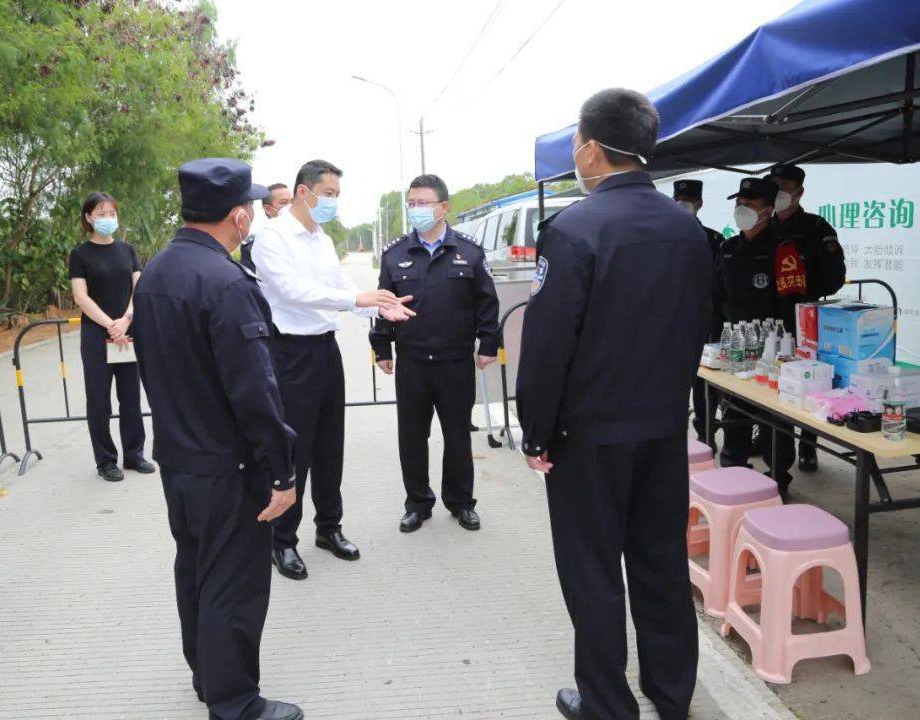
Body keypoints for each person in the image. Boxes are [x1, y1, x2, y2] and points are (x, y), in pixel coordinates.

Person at [516, 89, 708, 720]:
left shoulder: (573, 231)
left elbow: (547, 347)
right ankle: (671, 694)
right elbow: (704, 323)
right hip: (661, 427)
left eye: (577, 142)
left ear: (592, 150)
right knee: (660, 561)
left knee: (593, 569)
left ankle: (605, 702)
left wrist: (536, 433)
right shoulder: (689, 229)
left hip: (588, 436)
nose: (576, 153)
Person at [131, 159, 303, 720]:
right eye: (249, 206)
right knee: (233, 583)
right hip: (228, 466)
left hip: (180, 459)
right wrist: (281, 472)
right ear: (238, 215)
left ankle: (208, 676)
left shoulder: (157, 270)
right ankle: (235, 702)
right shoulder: (226, 283)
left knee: (196, 570)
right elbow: (255, 393)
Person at [252, 159, 414, 581]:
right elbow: (292, 291)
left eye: (337, 196)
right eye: (329, 194)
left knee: (329, 445)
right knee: (296, 450)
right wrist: (357, 301)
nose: (333, 203)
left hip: (325, 350)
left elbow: (340, 290)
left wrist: (377, 306)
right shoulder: (270, 237)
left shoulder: (322, 240)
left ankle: (329, 528)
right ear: (303, 192)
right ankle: (282, 540)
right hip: (290, 353)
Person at [369, 174, 499, 533]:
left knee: (457, 435)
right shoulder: (395, 253)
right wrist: (381, 347)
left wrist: (489, 343)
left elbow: (486, 302)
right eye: (412, 203)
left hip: (455, 362)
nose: (416, 209)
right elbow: (383, 303)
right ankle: (417, 503)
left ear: (443, 207)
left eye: (423, 203)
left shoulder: (469, 252)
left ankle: (461, 502)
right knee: (412, 437)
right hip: (412, 361)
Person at [713, 175, 845, 493]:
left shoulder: (785, 251)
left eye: (751, 204)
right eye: (739, 203)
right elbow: (715, 297)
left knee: (776, 420)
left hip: (776, 348)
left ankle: (777, 481)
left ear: (768, 209)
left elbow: (793, 302)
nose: (742, 208)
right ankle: (734, 474)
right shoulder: (728, 248)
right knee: (735, 416)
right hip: (737, 346)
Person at [69, 192, 154, 482]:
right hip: (97, 335)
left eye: (112, 213)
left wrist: (126, 319)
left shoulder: (127, 250)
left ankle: (134, 454)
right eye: (101, 214)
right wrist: (110, 325)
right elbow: (81, 297)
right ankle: (105, 460)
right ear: (88, 217)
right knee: (99, 401)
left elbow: (138, 289)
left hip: (128, 332)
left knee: (130, 396)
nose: (108, 219)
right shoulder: (80, 255)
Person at [767, 162, 846, 472]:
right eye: (776, 188)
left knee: (809, 381)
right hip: (769, 319)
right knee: (772, 385)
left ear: (799, 191)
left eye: (785, 188)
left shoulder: (817, 228)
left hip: (804, 320)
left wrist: (802, 282)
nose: (780, 194)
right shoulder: (764, 226)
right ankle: (776, 448)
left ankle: (808, 445)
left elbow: (835, 278)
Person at [674, 179, 725, 452]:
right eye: (678, 198)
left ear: (700, 203)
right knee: (673, 383)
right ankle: (673, 438)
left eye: (688, 199)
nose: (682, 204)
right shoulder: (660, 235)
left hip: (705, 323)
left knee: (704, 383)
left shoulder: (714, 239)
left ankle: (706, 435)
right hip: (670, 324)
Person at [239, 184, 291, 272]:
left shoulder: (308, 237)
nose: (290, 206)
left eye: (293, 202)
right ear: (268, 209)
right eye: (284, 203)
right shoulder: (252, 247)